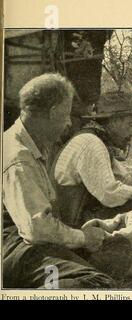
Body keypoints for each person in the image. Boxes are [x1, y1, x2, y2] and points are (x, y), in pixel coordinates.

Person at [2, 73, 118, 288]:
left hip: (23, 241)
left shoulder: (31, 145)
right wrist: (81, 237)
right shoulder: (19, 157)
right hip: (14, 249)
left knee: (109, 256)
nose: (67, 123)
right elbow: (35, 229)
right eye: (66, 114)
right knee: (96, 282)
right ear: (53, 112)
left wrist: (77, 231)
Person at [52, 92, 132, 227]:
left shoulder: (98, 141)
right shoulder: (91, 143)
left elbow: (127, 180)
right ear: (114, 121)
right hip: (73, 222)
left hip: (82, 214)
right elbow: (110, 194)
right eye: (130, 125)